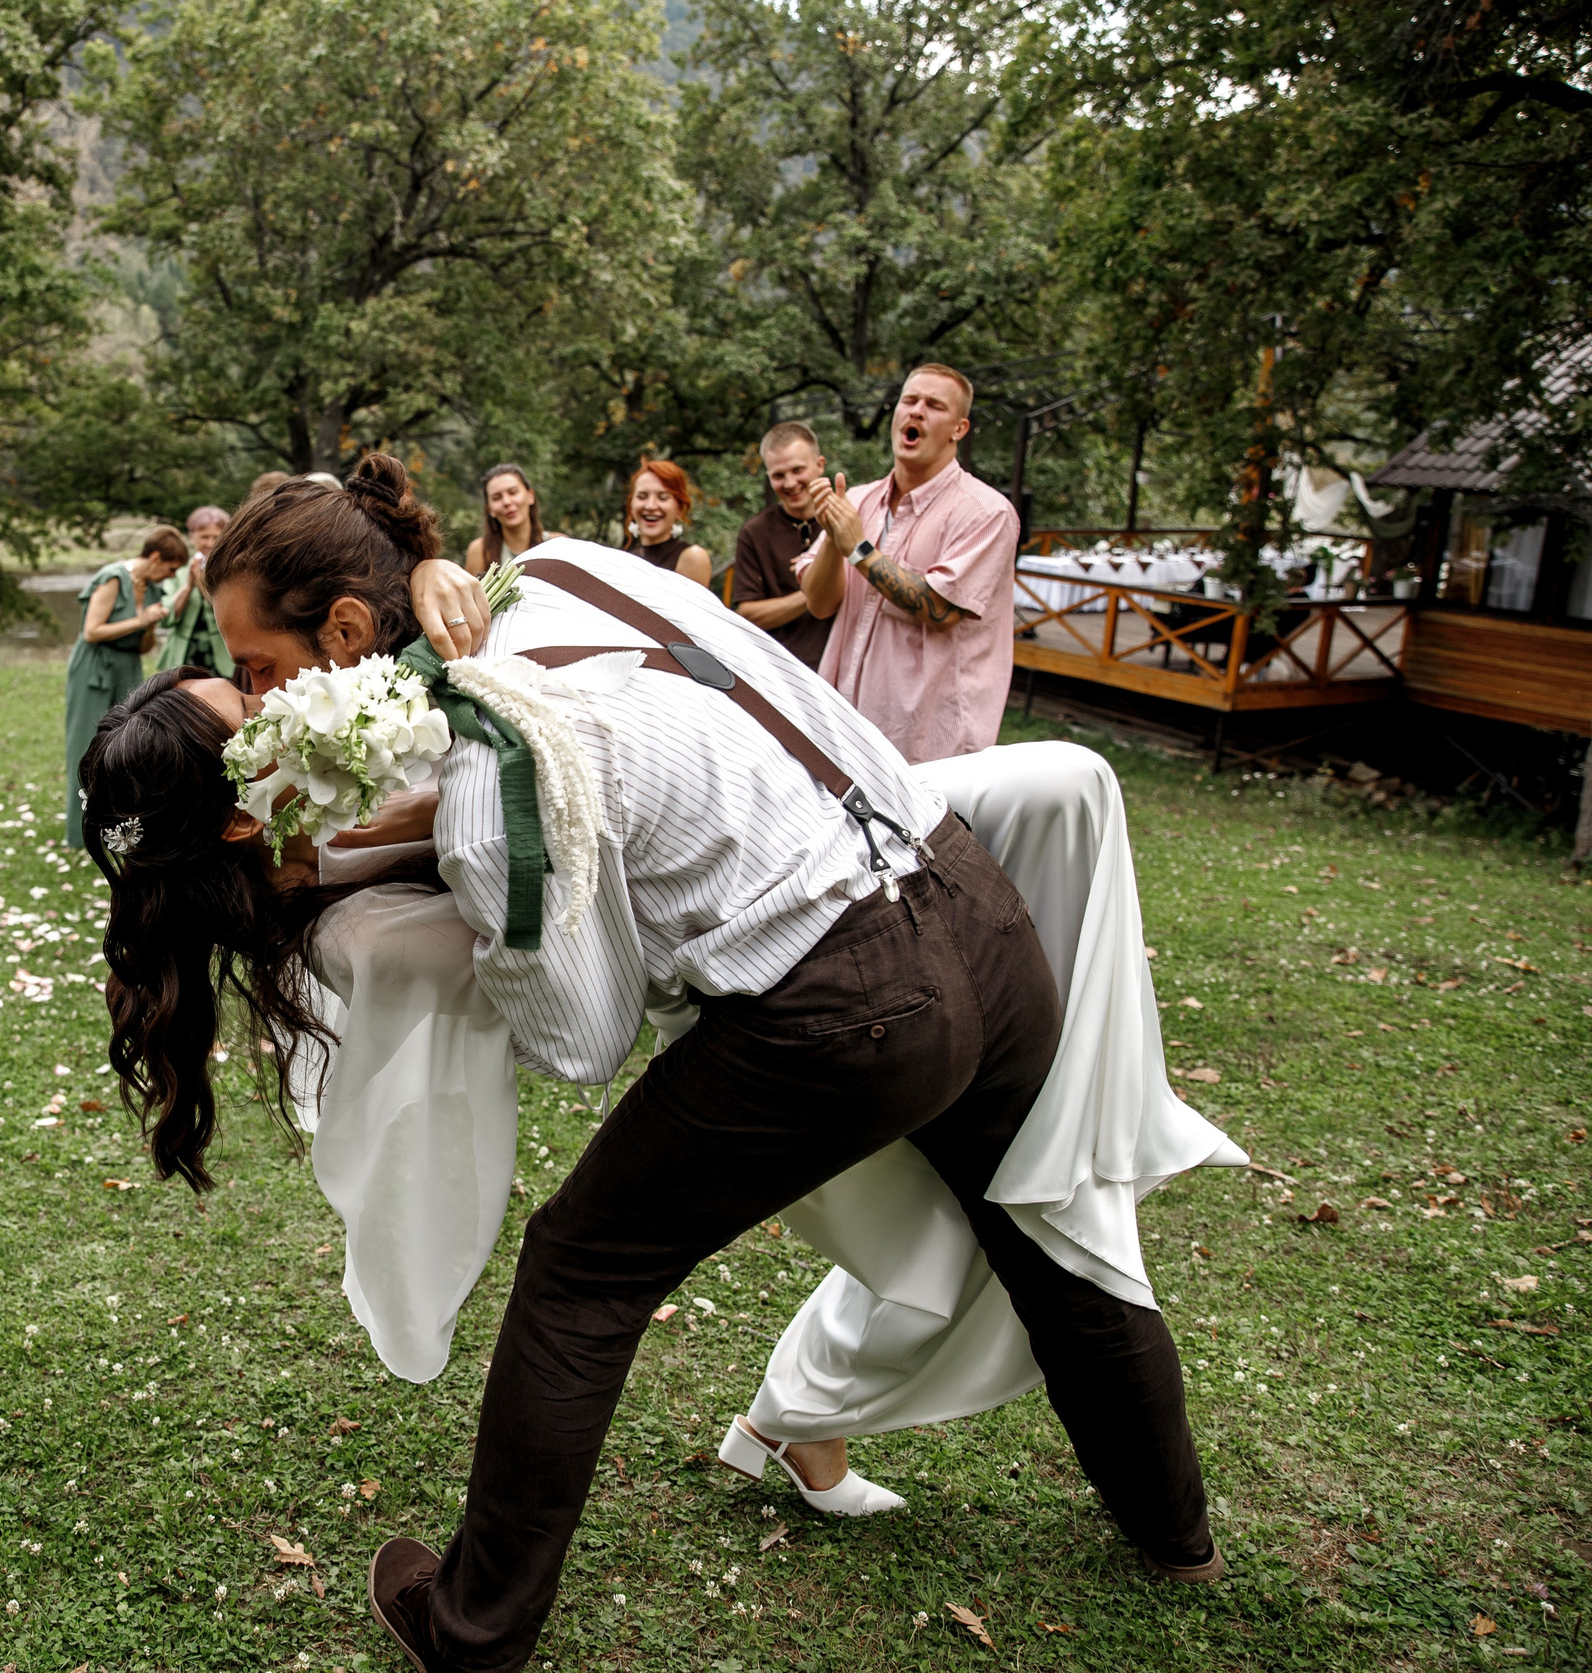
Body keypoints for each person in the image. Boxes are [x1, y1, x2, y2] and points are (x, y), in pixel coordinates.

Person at [83, 452, 1222, 1673]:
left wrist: (477, 890)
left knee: (581, 1274)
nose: (256, 702)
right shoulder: (563, 568)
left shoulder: (487, 783)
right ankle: (1176, 1534)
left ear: (351, 627)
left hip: (845, 1004)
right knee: (1043, 1228)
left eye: (259, 670)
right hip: (968, 896)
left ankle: (467, 1629)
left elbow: (584, 1038)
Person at [796, 364, 1020, 761]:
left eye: (934, 405)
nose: (917, 411)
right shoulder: (859, 500)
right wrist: (834, 534)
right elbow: (819, 603)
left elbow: (939, 609)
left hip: (930, 742)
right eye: (909, 400)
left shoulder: (986, 513)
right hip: (845, 729)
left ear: (959, 429)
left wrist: (859, 550)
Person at [62, 525, 185, 849]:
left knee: (126, 742)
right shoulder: (113, 577)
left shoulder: (153, 589)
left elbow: (143, 646)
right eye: (171, 568)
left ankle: (118, 827)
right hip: (94, 665)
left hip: (128, 665)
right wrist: (140, 621)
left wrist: (150, 626)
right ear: (156, 557)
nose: (170, 576)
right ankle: (79, 832)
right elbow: (92, 631)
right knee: (85, 744)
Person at [714, 422, 834, 670]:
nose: (790, 483)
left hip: (842, 667)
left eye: (797, 470)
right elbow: (748, 613)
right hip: (784, 672)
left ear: (820, 465)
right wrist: (814, 590)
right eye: (779, 475)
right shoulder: (755, 532)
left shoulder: (849, 516)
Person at [154, 507, 235, 680]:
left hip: (223, 658)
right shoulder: (178, 569)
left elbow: (233, 614)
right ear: (192, 537)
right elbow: (166, 619)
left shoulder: (231, 570)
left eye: (216, 537)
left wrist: (201, 583)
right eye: (204, 537)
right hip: (183, 656)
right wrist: (188, 585)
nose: (210, 543)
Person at [621, 457, 711, 585]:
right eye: (642, 497)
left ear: (680, 509)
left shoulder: (692, 557)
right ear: (631, 505)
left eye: (662, 498)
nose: (650, 506)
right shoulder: (624, 561)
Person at [462, 464, 548, 576]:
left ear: (530, 496)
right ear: (489, 509)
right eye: (496, 498)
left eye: (513, 492)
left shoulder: (557, 544)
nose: (506, 502)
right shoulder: (479, 551)